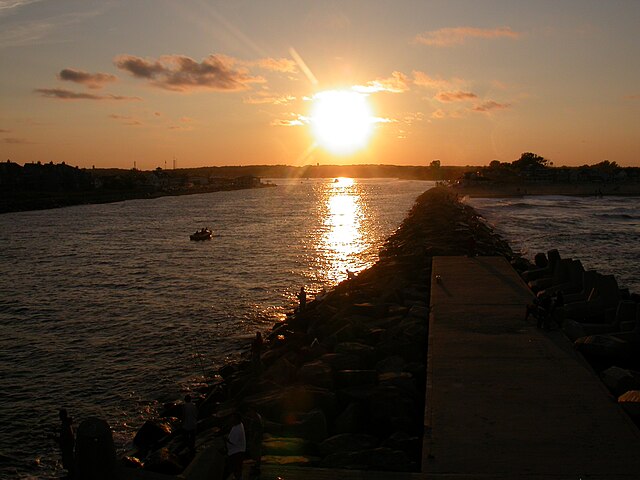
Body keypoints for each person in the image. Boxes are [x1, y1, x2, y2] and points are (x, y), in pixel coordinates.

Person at [224, 412, 246, 480]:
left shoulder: (238, 429)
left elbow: (233, 441)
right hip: (237, 451)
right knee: (237, 469)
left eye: (232, 418)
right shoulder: (239, 425)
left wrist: (225, 439)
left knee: (236, 469)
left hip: (236, 452)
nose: (231, 419)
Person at [243, 407, 263, 478]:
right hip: (256, 439)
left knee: (256, 453)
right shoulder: (256, 417)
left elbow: (257, 431)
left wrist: (253, 440)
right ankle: (256, 466)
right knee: (256, 453)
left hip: (256, 440)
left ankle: (257, 467)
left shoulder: (256, 419)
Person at [56, 408, 75, 479]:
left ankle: (71, 476)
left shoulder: (65, 425)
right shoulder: (67, 424)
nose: (59, 417)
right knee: (70, 462)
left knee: (69, 463)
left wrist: (53, 438)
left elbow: (63, 439)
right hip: (69, 446)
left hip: (67, 447)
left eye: (60, 415)